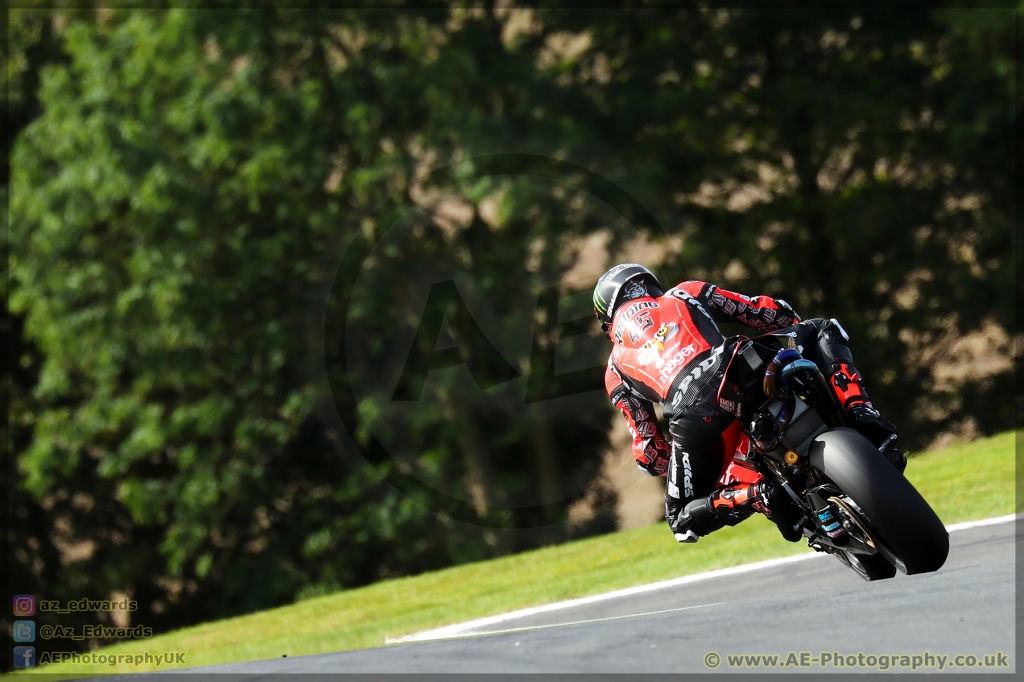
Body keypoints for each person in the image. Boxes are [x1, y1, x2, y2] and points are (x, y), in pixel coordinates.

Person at [594, 263, 905, 544]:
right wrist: (790, 332)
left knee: (680, 519)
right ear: (650, 286)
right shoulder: (683, 293)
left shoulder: (615, 369)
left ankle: (760, 495)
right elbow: (768, 313)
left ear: (608, 320)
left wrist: (676, 462)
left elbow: (650, 452)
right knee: (825, 328)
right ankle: (861, 413)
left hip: (693, 418)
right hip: (742, 363)